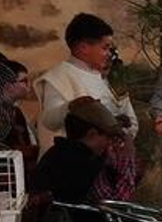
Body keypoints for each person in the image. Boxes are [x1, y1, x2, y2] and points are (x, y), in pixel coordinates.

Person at [29, 96, 125, 222]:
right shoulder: (85, 164)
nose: (109, 143)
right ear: (92, 134)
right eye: (107, 137)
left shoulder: (56, 154)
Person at [34, 12, 138, 153]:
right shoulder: (59, 77)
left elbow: (128, 119)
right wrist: (72, 106)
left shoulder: (109, 77)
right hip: (75, 158)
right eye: (105, 48)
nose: (109, 54)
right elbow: (49, 120)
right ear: (84, 48)